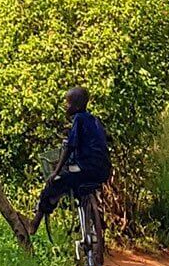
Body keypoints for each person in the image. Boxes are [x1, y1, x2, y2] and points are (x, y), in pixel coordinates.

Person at [34, 86, 111, 227]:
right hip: (104, 170)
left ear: (76, 106)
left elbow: (70, 146)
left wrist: (56, 171)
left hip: (85, 168)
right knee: (78, 185)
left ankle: (34, 223)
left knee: (54, 183)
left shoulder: (79, 119)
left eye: (68, 103)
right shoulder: (95, 120)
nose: (65, 106)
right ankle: (97, 219)